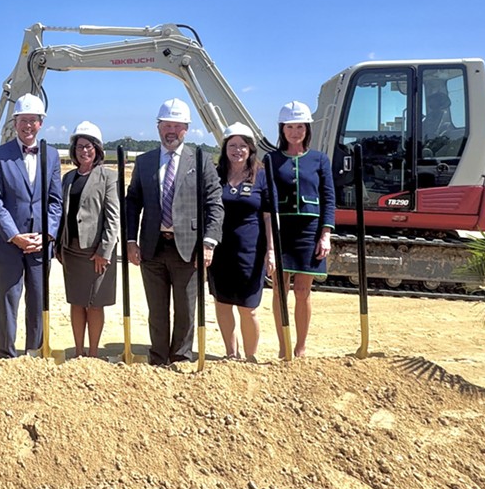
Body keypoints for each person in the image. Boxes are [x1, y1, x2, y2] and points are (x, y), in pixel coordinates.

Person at [125, 98, 224, 366]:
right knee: (156, 311)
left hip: (188, 249)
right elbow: (132, 201)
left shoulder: (201, 160)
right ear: (158, 127)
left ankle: (180, 359)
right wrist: (131, 239)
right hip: (152, 248)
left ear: (186, 128)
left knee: (185, 310)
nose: (171, 131)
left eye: (177, 126)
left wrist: (208, 243)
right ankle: (157, 359)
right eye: (166, 124)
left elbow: (214, 202)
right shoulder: (145, 162)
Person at [0, 93, 62, 358]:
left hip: (40, 244)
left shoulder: (51, 156)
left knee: (38, 300)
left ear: (41, 123)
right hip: (8, 244)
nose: (27, 126)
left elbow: (55, 201)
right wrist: (14, 235)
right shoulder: (0, 155)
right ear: (15, 122)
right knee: (8, 300)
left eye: (33, 120)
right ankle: (6, 355)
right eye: (23, 120)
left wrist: (48, 234)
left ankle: (35, 351)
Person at [266, 100, 336, 358]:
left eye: (300, 126)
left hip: (309, 230)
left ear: (307, 128)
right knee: (279, 290)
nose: (295, 132)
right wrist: (271, 242)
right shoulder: (271, 159)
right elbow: (269, 198)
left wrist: (325, 234)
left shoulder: (319, 159)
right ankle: (284, 347)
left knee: (303, 291)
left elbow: (329, 197)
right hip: (282, 228)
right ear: (282, 129)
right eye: (290, 126)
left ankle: (301, 347)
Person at [208, 122, 268, 362]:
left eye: (242, 145)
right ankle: (231, 354)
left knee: (248, 308)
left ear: (250, 149)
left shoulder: (261, 175)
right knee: (222, 304)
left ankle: (251, 357)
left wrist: (271, 251)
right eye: (232, 145)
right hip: (221, 251)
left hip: (250, 253)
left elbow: (268, 216)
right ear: (225, 148)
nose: (237, 150)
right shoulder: (215, 174)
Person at [57, 121, 119, 358]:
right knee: (76, 301)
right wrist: (58, 246)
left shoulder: (108, 177)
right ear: (74, 149)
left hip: (95, 252)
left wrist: (104, 250)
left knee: (94, 302)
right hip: (71, 250)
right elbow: (63, 213)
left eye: (89, 146)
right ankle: (79, 350)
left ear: (98, 150)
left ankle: (93, 353)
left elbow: (113, 217)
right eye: (80, 146)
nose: (84, 151)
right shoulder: (68, 178)